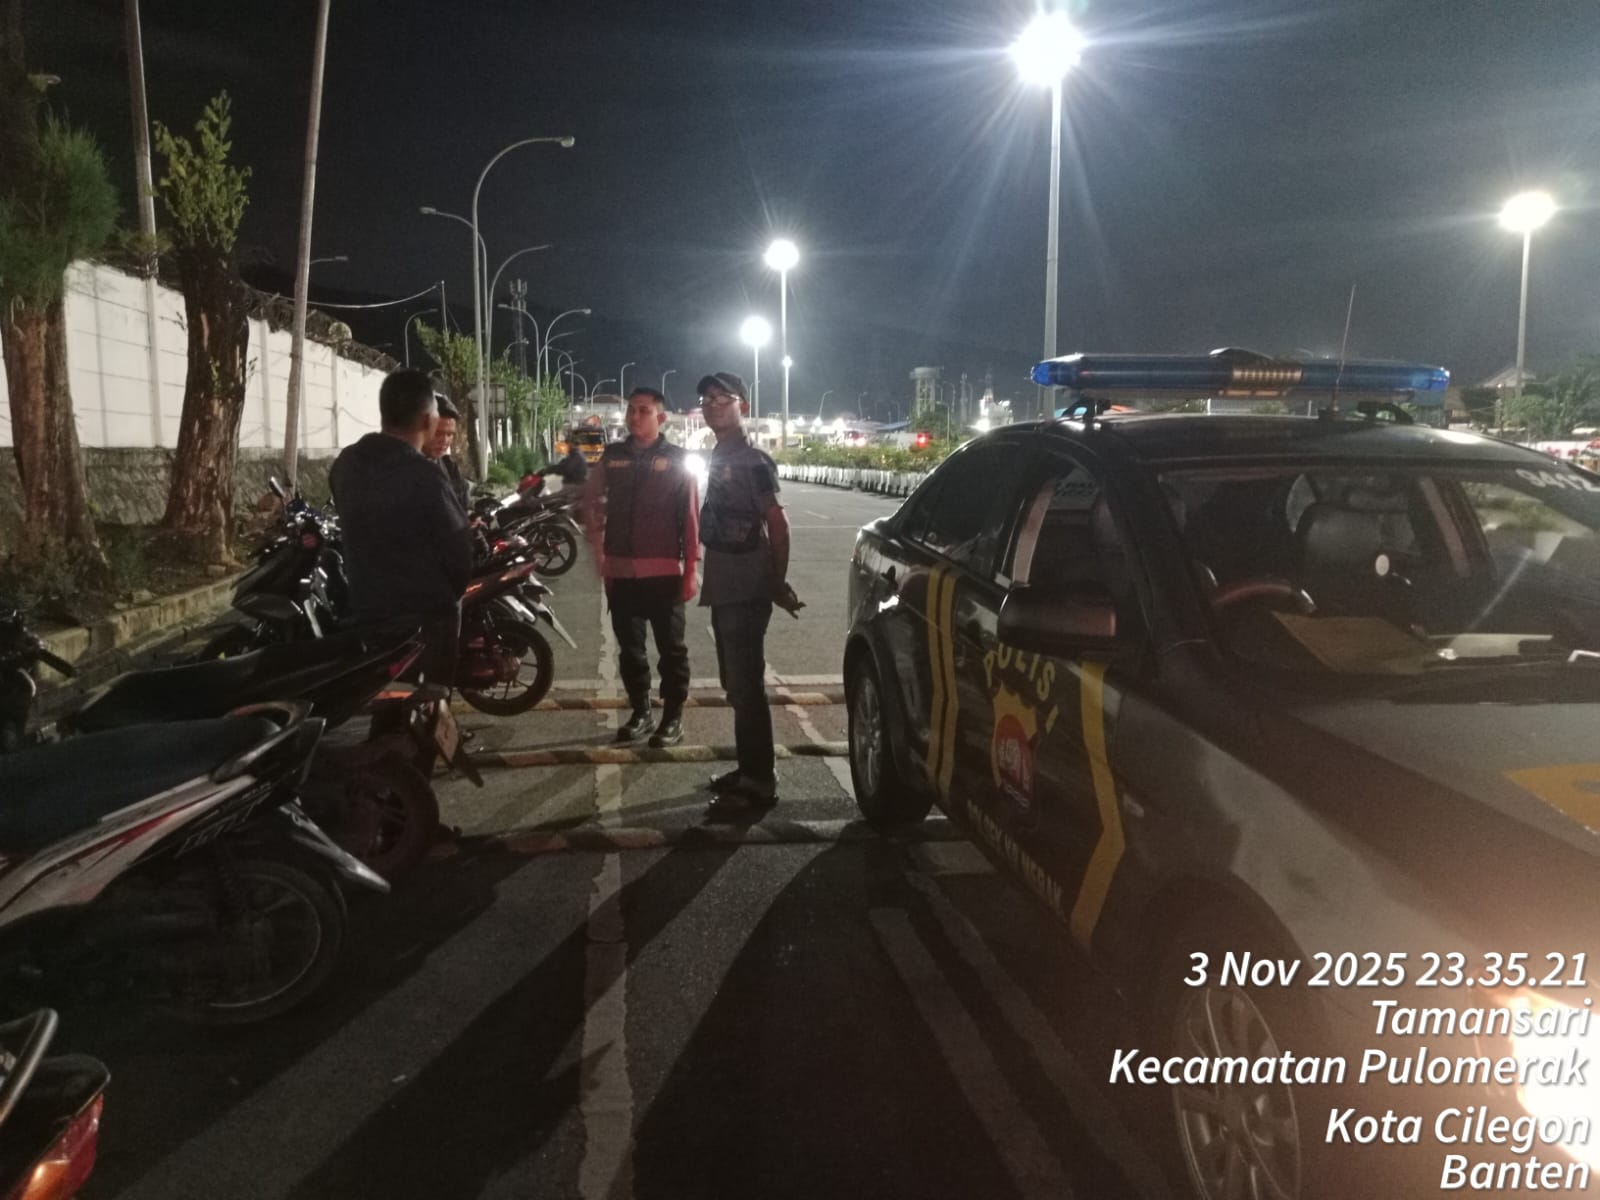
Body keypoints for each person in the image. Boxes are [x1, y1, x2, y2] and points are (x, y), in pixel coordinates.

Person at [695, 372, 802, 819]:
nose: (713, 405)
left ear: (744, 406)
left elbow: (778, 524)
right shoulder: (721, 452)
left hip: (746, 588)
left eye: (724, 398)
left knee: (746, 687)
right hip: (725, 585)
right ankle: (749, 769)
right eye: (707, 398)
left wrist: (776, 582)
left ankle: (759, 783)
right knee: (736, 685)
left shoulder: (753, 459)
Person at [330, 367, 473, 684]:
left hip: (366, 612)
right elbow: (459, 556)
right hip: (424, 623)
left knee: (383, 694)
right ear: (427, 420)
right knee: (426, 700)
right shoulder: (426, 476)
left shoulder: (346, 464)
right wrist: (444, 599)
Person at [583, 386, 700, 747]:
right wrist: (599, 553)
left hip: (664, 574)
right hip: (621, 573)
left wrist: (691, 569)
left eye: (643, 410)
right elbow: (591, 501)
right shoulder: (612, 456)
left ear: (660, 417)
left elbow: (691, 519)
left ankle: (673, 717)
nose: (634, 416)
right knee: (631, 651)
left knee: (672, 651)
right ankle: (641, 712)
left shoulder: (678, 459)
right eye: (631, 410)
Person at [424, 394, 471, 512]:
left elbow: (465, 505)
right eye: (438, 433)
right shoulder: (405, 471)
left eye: (450, 434)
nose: (444, 440)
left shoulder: (450, 467)